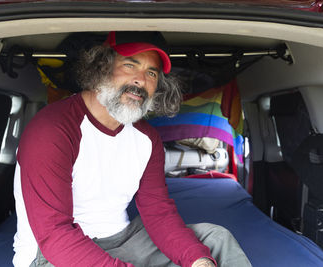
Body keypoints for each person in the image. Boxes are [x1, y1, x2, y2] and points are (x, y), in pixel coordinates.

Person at [13, 31, 251, 267]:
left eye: (151, 73)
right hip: (51, 253)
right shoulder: (53, 128)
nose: (140, 81)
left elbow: (158, 211)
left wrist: (198, 261)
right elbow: (54, 235)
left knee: (214, 241)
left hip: (124, 239)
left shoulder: (146, 138)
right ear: (101, 68)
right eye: (129, 65)